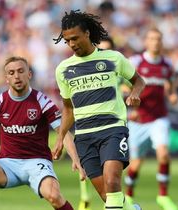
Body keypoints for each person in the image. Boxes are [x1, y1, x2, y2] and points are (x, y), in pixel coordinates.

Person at [53, 10, 145, 210]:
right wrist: (60, 137)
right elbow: (68, 108)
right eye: (67, 41)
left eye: (75, 38)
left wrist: (135, 93)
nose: (72, 44)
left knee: (113, 184)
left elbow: (138, 80)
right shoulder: (63, 69)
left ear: (87, 33)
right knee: (107, 196)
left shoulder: (113, 58)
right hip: (84, 137)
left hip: (112, 129)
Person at [0, 56, 85, 210]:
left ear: (29, 74)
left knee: (54, 196)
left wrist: (76, 159)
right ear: (6, 78)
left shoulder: (42, 101)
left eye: (21, 71)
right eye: (11, 73)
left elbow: (64, 132)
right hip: (8, 162)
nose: (17, 76)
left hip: (37, 162)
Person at [124, 28, 178, 210]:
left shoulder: (167, 64)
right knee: (136, 164)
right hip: (138, 119)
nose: (156, 42)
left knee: (163, 154)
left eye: (158, 39)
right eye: (152, 39)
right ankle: (129, 196)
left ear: (161, 42)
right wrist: (129, 104)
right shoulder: (136, 62)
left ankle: (163, 196)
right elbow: (122, 86)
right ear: (146, 42)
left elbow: (170, 83)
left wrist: (171, 95)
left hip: (159, 118)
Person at [77, 36, 117, 210]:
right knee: (103, 189)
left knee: (111, 179)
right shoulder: (84, 70)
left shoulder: (117, 70)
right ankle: (85, 194)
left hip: (112, 126)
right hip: (86, 125)